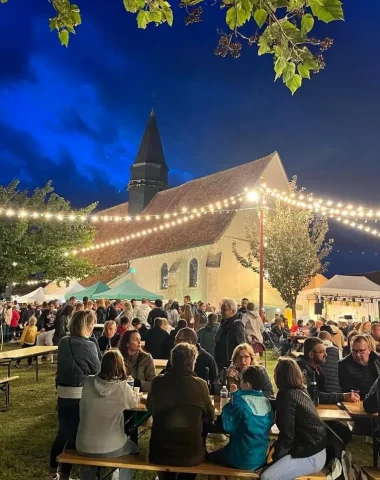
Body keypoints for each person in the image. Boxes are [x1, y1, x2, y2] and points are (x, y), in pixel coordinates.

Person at [147, 343, 214, 475]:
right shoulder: (200, 385)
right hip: (190, 455)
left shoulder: (157, 382)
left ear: (172, 361)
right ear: (192, 363)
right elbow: (209, 415)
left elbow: (150, 408)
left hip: (159, 453)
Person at [48, 310, 101, 480]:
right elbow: (98, 370)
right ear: (86, 325)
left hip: (62, 393)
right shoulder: (89, 345)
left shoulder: (63, 342)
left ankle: (51, 471)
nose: (93, 327)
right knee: (75, 434)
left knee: (62, 432)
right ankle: (65, 473)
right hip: (80, 394)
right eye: (92, 323)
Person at [76, 349, 139, 480]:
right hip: (112, 447)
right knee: (134, 450)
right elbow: (133, 404)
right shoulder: (122, 387)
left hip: (83, 445)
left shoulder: (88, 382)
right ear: (121, 366)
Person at [260, 357, 326, 480]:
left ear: (279, 376)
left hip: (309, 455)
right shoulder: (300, 391)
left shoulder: (287, 396)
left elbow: (287, 435)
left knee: (267, 476)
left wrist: (274, 458)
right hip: (315, 451)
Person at [208, 365, 273, 471]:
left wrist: (231, 401)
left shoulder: (241, 402)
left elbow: (228, 426)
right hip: (260, 458)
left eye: (241, 381)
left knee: (211, 458)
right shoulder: (267, 402)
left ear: (247, 385)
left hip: (239, 458)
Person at [297, 337, 359, 404]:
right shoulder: (302, 370)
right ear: (311, 354)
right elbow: (313, 396)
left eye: (325, 351)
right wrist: (342, 397)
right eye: (322, 352)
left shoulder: (318, 367)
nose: (326, 355)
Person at [338, 334, 380, 399]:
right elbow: (345, 389)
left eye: (361, 351)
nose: (358, 355)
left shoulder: (377, 360)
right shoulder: (343, 365)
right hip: (357, 401)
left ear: (369, 350)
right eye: (354, 351)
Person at [214, 298, 246, 371]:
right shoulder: (223, 323)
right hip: (220, 364)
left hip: (230, 366)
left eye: (224, 309)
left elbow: (241, 346)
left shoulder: (237, 325)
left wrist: (234, 365)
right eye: (221, 309)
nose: (221, 312)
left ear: (233, 311)